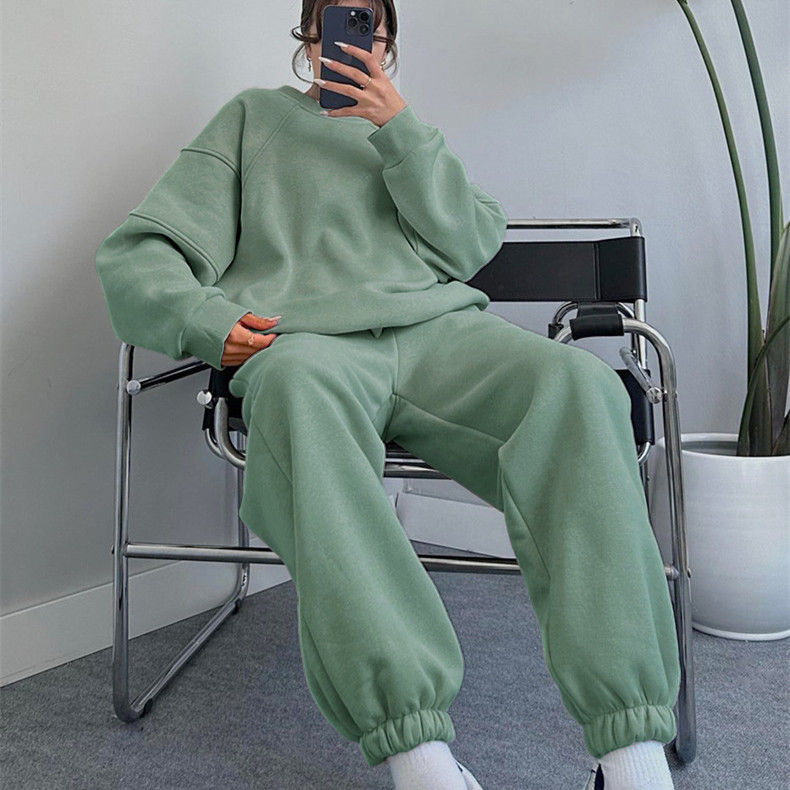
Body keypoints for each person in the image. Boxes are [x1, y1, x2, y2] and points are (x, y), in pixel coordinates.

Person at [94, 2, 681, 788]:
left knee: (579, 386)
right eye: (332, 21)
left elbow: (471, 244)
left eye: (366, 23)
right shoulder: (251, 120)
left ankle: (631, 752)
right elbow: (138, 255)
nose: (348, 38)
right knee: (296, 392)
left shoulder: (406, 134)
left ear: (387, 41)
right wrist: (206, 319)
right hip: (310, 346)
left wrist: (399, 130)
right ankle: (419, 755)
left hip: (441, 336)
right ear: (307, 37)